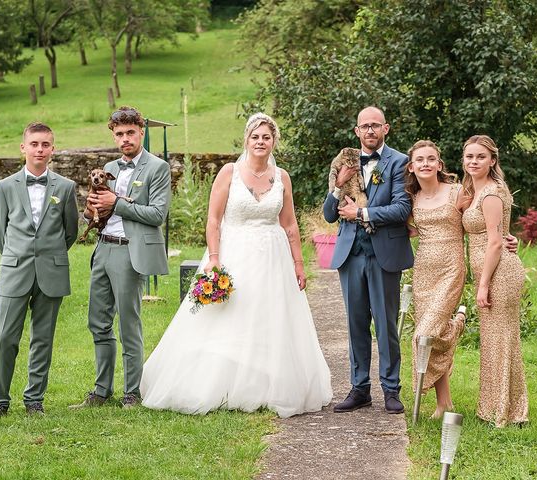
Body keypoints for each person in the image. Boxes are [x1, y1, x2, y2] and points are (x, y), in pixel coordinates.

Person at [139, 113, 332, 418]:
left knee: (270, 316)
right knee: (230, 315)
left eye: (266, 137)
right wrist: (214, 260)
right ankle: (220, 383)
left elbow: (290, 224)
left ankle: (266, 384)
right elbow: (214, 220)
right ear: (246, 139)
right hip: (234, 253)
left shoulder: (282, 177)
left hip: (273, 257)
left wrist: (298, 263)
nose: (260, 142)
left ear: (273, 141)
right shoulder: (229, 172)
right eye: (255, 136)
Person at [70, 106, 171, 410]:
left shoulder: (157, 168)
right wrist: (90, 208)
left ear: (141, 131)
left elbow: (156, 215)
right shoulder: (108, 167)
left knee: (128, 323)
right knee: (98, 322)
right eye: (119, 134)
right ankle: (101, 391)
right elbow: (93, 212)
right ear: (113, 135)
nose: (125, 138)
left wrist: (118, 203)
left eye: (130, 132)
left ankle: (131, 392)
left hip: (130, 250)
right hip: (102, 247)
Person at [0, 122, 78, 420]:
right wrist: (19, 255)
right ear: (23, 147)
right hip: (15, 270)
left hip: (51, 272)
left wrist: (46, 255)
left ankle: (34, 399)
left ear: (52, 149)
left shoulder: (65, 188)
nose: (40, 149)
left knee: (43, 338)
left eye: (46, 144)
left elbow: (70, 232)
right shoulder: (4, 187)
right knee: (5, 337)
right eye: (35, 144)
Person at [323, 106, 413, 414]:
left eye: (376, 125)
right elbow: (328, 214)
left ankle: (391, 389)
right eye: (365, 126)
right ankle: (359, 388)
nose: (370, 131)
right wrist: (339, 186)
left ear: (386, 129)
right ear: (357, 131)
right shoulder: (342, 163)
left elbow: (401, 209)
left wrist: (361, 212)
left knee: (386, 325)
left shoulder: (400, 162)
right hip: (351, 255)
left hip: (383, 254)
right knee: (355, 323)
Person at [461, 135, 528, 427]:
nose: (473, 162)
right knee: (496, 341)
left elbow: (494, 242)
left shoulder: (490, 193)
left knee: (501, 341)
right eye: (469, 157)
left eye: (480, 157)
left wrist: (484, 284)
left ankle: (504, 412)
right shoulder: (473, 190)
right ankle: (504, 409)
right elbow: (502, 232)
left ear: (492, 160)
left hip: (499, 273)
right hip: (492, 270)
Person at [405, 140, 467, 419]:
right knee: (431, 337)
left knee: (424, 336)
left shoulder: (457, 192)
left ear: (439, 165)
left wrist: (505, 239)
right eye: (420, 160)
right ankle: (444, 403)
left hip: (451, 269)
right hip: (423, 273)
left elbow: (480, 220)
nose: (426, 164)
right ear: (412, 166)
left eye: (431, 159)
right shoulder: (411, 199)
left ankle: (458, 324)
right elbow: (406, 231)